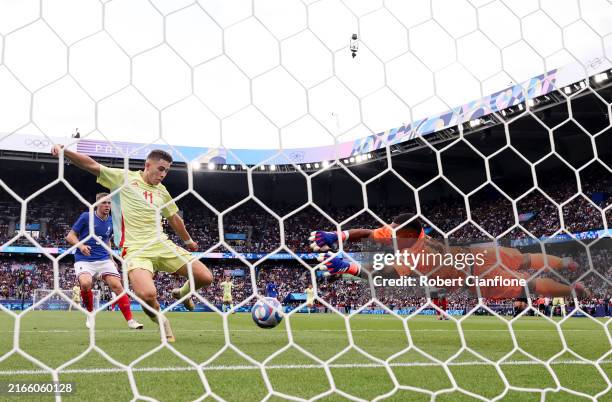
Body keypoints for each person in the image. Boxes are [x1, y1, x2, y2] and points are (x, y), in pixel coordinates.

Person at [52, 145, 213, 342]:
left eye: (167, 171)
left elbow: (173, 217)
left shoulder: (162, 191)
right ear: (147, 165)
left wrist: (188, 240)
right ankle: (161, 321)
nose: (163, 174)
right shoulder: (123, 179)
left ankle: (181, 293)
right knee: (147, 294)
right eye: (160, 169)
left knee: (205, 277)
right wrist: (65, 151)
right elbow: (92, 165)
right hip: (135, 249)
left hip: (162, 244)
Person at [309, 212, 587, 300]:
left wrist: (350, 267)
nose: (389, 234)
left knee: (528, 284)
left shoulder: (418, 255)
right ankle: (565, 264)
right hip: (476, 254)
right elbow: (368, 233)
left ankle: (572, 290)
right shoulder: (403, 235)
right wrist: (339, 236)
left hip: (479, 275)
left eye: (395, 231)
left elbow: (383, 274)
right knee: (523, 261)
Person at [66, 192, 143, 330]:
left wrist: (111, 258)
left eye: (109, 203)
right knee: (85, 283)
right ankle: (90, 314)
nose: (107, 205)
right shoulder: (86, 217)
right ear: (97, 204)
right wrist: (81, 246)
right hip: (84, 259)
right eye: (104, 203)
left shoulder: (112, 221)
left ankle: (131, 320)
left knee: (117, 286)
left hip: (103, 259)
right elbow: (70, 236)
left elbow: (106, 240)